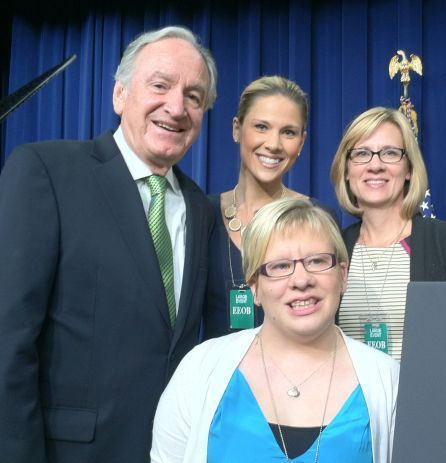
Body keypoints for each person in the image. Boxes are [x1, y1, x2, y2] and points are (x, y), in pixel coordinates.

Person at [0, 26, 217, 463]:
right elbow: (9, 342)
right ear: (120, 95)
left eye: (194, 96)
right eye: (160, 85)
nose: (176, 107)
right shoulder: (46, 171)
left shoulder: (201, 208)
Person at [151, 198, 399, 463]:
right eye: (280, 266)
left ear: (343, 275)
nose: (301, 280)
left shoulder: (390, 381)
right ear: (254, 286)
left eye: (316, 261)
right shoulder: (199, 369)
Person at [330, 107, 446, 360]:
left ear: (408, 169)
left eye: (390, 153)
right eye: (362, 154)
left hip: (429, 397)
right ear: (347, 170)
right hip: (350, 399)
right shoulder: (330, 248)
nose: (375, 165)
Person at [204, 76, 333, 339]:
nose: (273, 144)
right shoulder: (201, 214)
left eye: (288, 132)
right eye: (262, 127)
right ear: (236, 129)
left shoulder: (319, 218)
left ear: (302, 141)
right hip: (221, 377)